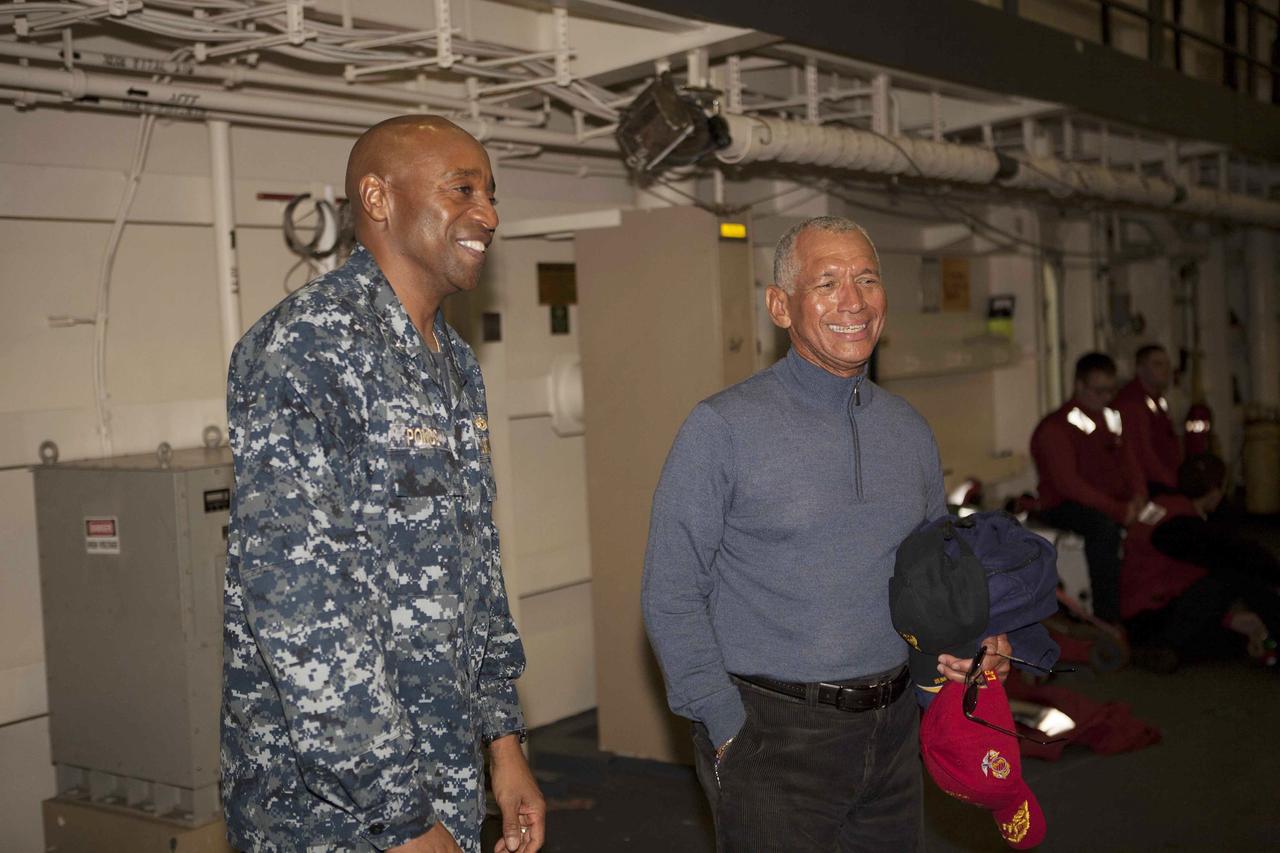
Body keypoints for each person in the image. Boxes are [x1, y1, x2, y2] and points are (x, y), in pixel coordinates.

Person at [221, 116, 545, 853]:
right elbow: (300, 613)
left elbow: (477, 571)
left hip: (443, 779)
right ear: (378, 198)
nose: (489, 215)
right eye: (462, 189)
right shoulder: (307, 346)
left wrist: (503, 745)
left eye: (491, 194)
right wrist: (402, 818)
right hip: (333, 815)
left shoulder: (453, 363)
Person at [641, 216, 1010, 852]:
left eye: (866, 279)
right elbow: (670, 594)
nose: (853, 301)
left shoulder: (908, 430)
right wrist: (725, 727)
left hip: (894, 729)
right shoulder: (721, 429)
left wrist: (972, 641)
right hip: (771, 735)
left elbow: (934, 578)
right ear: (780, 306)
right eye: (827, 282)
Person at [1122, 454, 1280, 671]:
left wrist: (1231, 619)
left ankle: (1165, 650)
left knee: (1236, 640)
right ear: (1215, 491)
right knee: (1235, 574)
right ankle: (1163, 646)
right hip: (1155, 616)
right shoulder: (1185, 528)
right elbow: (1241, 556)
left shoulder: (1160, 506)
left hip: (1141, 614)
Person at [1030, 352, 1145, 625]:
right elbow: (1068, 485)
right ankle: (1107, 618)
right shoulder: (1055, 428)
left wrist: (1140, 496)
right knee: (1103, 530)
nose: (1106, 397)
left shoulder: (1110, 418)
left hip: (1111, 501)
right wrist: (1118, 510)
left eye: (1111, 390)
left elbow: (1130, 461)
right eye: (1099, 390)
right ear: (1079, 385)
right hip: (1063, 505)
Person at [1113, 344, 1181, 494]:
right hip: (1149, 484)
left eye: (1167, 364)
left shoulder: (1157, 401)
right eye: (1157, 364)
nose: (1165, 370)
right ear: (1140, 369)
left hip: (1162, 478)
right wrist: (1171, 482)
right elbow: (1141, 453)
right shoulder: (1132, 403)